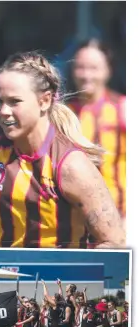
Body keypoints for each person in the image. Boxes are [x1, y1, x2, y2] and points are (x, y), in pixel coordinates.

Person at [0, 51, 125, 249]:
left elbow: (114, 241)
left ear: (44, 101)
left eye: (14, 102)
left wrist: (76, 273)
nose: (4, 111)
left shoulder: (71, 166)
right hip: (3, 277)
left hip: (56, 280)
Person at [67, 39, 126, 220]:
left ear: (108, 70)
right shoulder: (64, 113)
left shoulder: (124, 108)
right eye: (80, 67)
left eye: (94, 68)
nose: (86, 75)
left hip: (121, 215)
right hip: (76, 219)